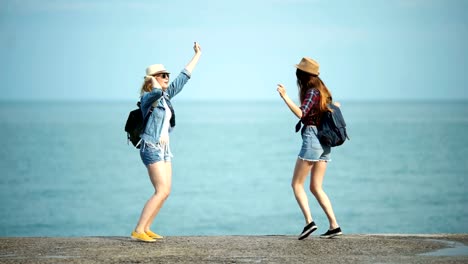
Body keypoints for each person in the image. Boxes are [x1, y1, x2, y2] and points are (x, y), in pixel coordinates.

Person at [131, 42, 202, 242]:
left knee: (166, 192)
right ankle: (138, 230)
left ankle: (146, 228)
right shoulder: (148, 97)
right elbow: (154, 92)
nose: (167, 78)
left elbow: (183, 78)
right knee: (160, 190)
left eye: (167, 75)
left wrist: (197, 55)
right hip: (151, 148)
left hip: (164, 150)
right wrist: (152, 82)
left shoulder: (165, 97)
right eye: (162, 75)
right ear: (152, 79)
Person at [276, 57, 342, 239]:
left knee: (296, 184)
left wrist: (284, 96)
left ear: (303, 75)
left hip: (313, 138)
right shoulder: (323, 91)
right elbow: (331, 108)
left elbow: (301, 113)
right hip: (325, 142)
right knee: (316, 187)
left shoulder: (312, 92)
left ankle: (309, 222)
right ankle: (334, 225)